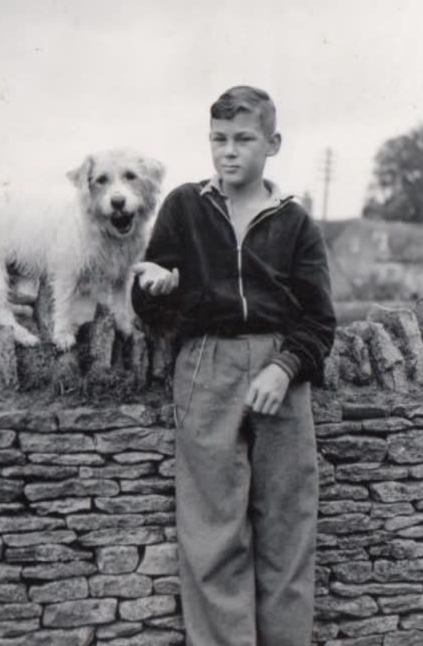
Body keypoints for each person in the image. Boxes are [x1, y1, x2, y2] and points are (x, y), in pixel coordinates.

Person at [131, 85, 336, 642]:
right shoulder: (184, 206)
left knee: (288, 531)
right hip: (206, 369)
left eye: (243, 139)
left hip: (279, 377)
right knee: (214, 533)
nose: (228, 151)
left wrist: (286, 367)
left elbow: (319, 320)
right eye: (218, 139)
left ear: (272, 143)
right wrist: (153, 287)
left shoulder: (294, 223)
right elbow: (155, 308)